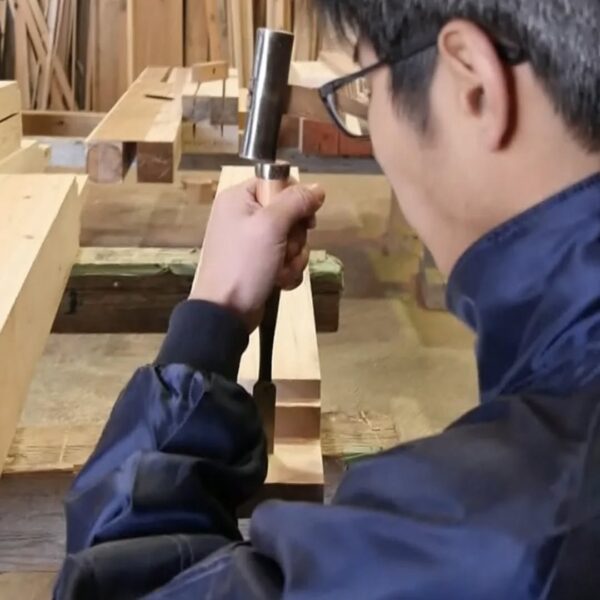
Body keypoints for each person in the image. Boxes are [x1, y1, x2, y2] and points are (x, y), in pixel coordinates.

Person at [55, 0, 600, 598]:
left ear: (474, 84)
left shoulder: (503, 536)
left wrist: (210, 318)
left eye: (365, 88)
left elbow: (122, 584)